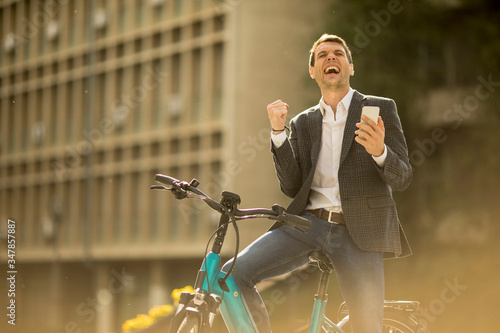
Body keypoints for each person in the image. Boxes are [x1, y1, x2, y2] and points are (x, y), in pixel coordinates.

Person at [222, 34, 413, 333]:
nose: (331, 58)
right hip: (308, 226)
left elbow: (402, 177)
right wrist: (277, 134)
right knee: (232, 275)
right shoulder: (303, 122)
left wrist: (380, 152)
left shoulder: (381, 107)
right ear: (313, 70)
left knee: (367, 327)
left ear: (351, 66)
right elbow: (291, 185)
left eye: (338, 53)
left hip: (359, 231)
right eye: (322, 55)